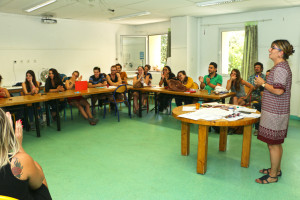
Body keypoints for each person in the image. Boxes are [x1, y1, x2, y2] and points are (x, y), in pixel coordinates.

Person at [254, 40, 294, 184]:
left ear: (281, 52)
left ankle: (272, 176)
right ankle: (275, 169)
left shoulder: (281, 68)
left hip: (275, 113)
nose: (270, 49)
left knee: (273, 144)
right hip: (274, 111)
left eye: (273, 48)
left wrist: (262, 84)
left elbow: (278, 90)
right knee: (276, 143)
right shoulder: (279, 67)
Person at [0, 109, 52, 199]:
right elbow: (38, 182)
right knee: (36, 167)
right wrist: (18, 147)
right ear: (6, 133)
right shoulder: (20, 161)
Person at [252, 69, 270, 136]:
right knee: (256, 105)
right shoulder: (263, 84)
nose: (267, 77)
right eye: (267, 75)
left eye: (269, 75)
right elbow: (263, 97)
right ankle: (257, 129)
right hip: (266, 102)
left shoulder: (275, 84)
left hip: (273, 104)